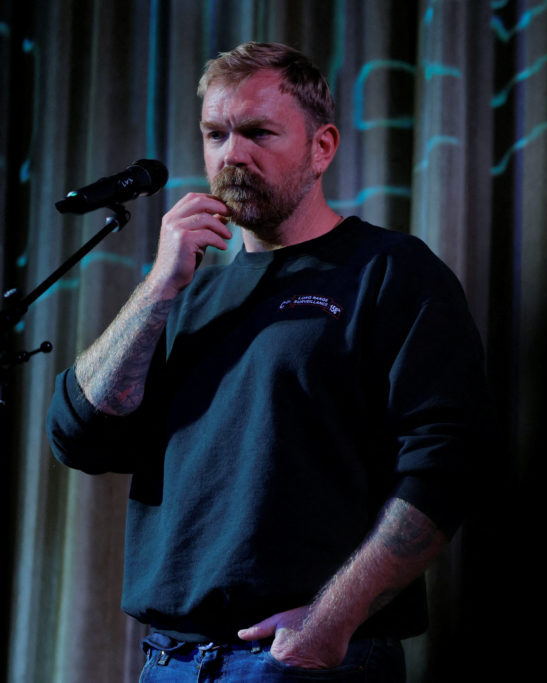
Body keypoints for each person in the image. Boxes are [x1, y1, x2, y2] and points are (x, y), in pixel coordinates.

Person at [46, 42, 492, 681]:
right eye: (216, 134)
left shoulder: (390, 271)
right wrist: (157, 287)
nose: (233, 154)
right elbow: (78, 435)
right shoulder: (184, 295)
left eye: (258, 132)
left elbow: (448, 463)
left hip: (304, 659)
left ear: (322, 147)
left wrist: (332, 620)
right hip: (170, 658)